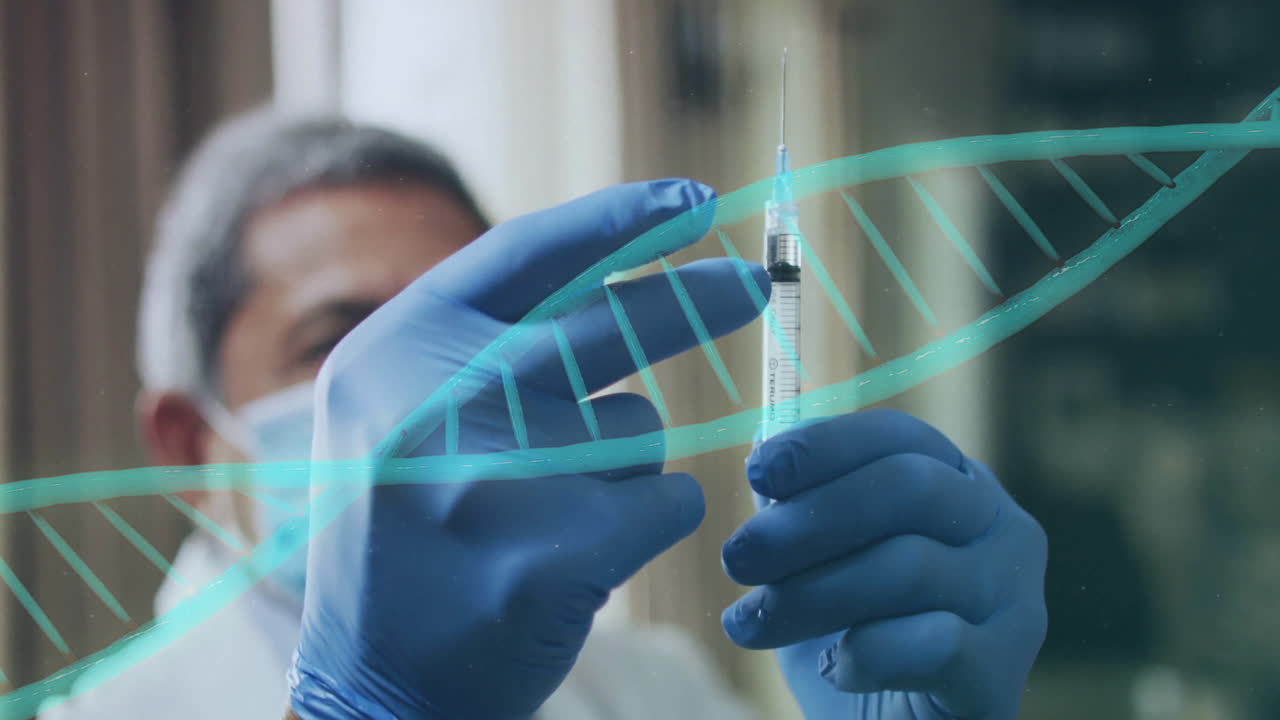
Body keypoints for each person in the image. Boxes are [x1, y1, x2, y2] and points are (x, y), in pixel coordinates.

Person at [39, 108, 1047, 720]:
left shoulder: (647, 690)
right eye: (338, 346)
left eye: (450, 344)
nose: (417, 410)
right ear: (187, 442)